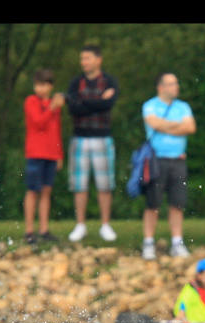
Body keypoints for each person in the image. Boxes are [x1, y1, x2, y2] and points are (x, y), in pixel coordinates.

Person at [64, 44, 120, 243]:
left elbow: (108, 105)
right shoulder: (76, 82)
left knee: (105, 184)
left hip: (102, 137)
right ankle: (80, 225)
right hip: (79, 138)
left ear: (98, 59)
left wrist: (84, 102)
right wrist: (97, 102)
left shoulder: (109, 81)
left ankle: (105, 225)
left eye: (87, 58)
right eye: (82, 59)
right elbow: (73, 108)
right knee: (80, 184)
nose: (83, 62)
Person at [140, 72, 196, 260]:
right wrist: (177, 126)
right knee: (152, 203)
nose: (176, 87)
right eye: (171, 84)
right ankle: (148, 242)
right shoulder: (150, 105)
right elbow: (154, 124)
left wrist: (166, 126)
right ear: (161, 87)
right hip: (157, 160)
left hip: (178, 160)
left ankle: (177, 242)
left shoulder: (183, 106)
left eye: (176, 83)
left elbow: (190, 128)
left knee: (177, 203)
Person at [22, 68, 64, 244]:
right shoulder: (31, 101)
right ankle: (29, 231)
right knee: (33, 191)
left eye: (44, 85)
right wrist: (51, 108)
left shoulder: (55, 106)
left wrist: (59, 154)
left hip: (51, 154)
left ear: (51, 86)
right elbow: (38, 122)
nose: (40, 89)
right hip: (36, 153)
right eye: (38, 85)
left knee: (46, 191)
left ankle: (44, 229)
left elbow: (56, 131)